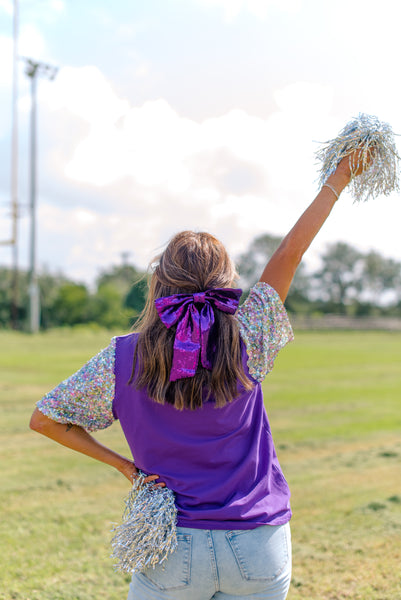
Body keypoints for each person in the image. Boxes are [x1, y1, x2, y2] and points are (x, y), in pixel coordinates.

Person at [30, 154, 360, 600]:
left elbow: (45, 419)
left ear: (159, 284)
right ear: (226, 285)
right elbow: (290, 254)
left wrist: (126, 468)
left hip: (170, 546)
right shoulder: (249, 335)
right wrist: (339, 177)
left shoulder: (120, 357)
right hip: (258, 542)